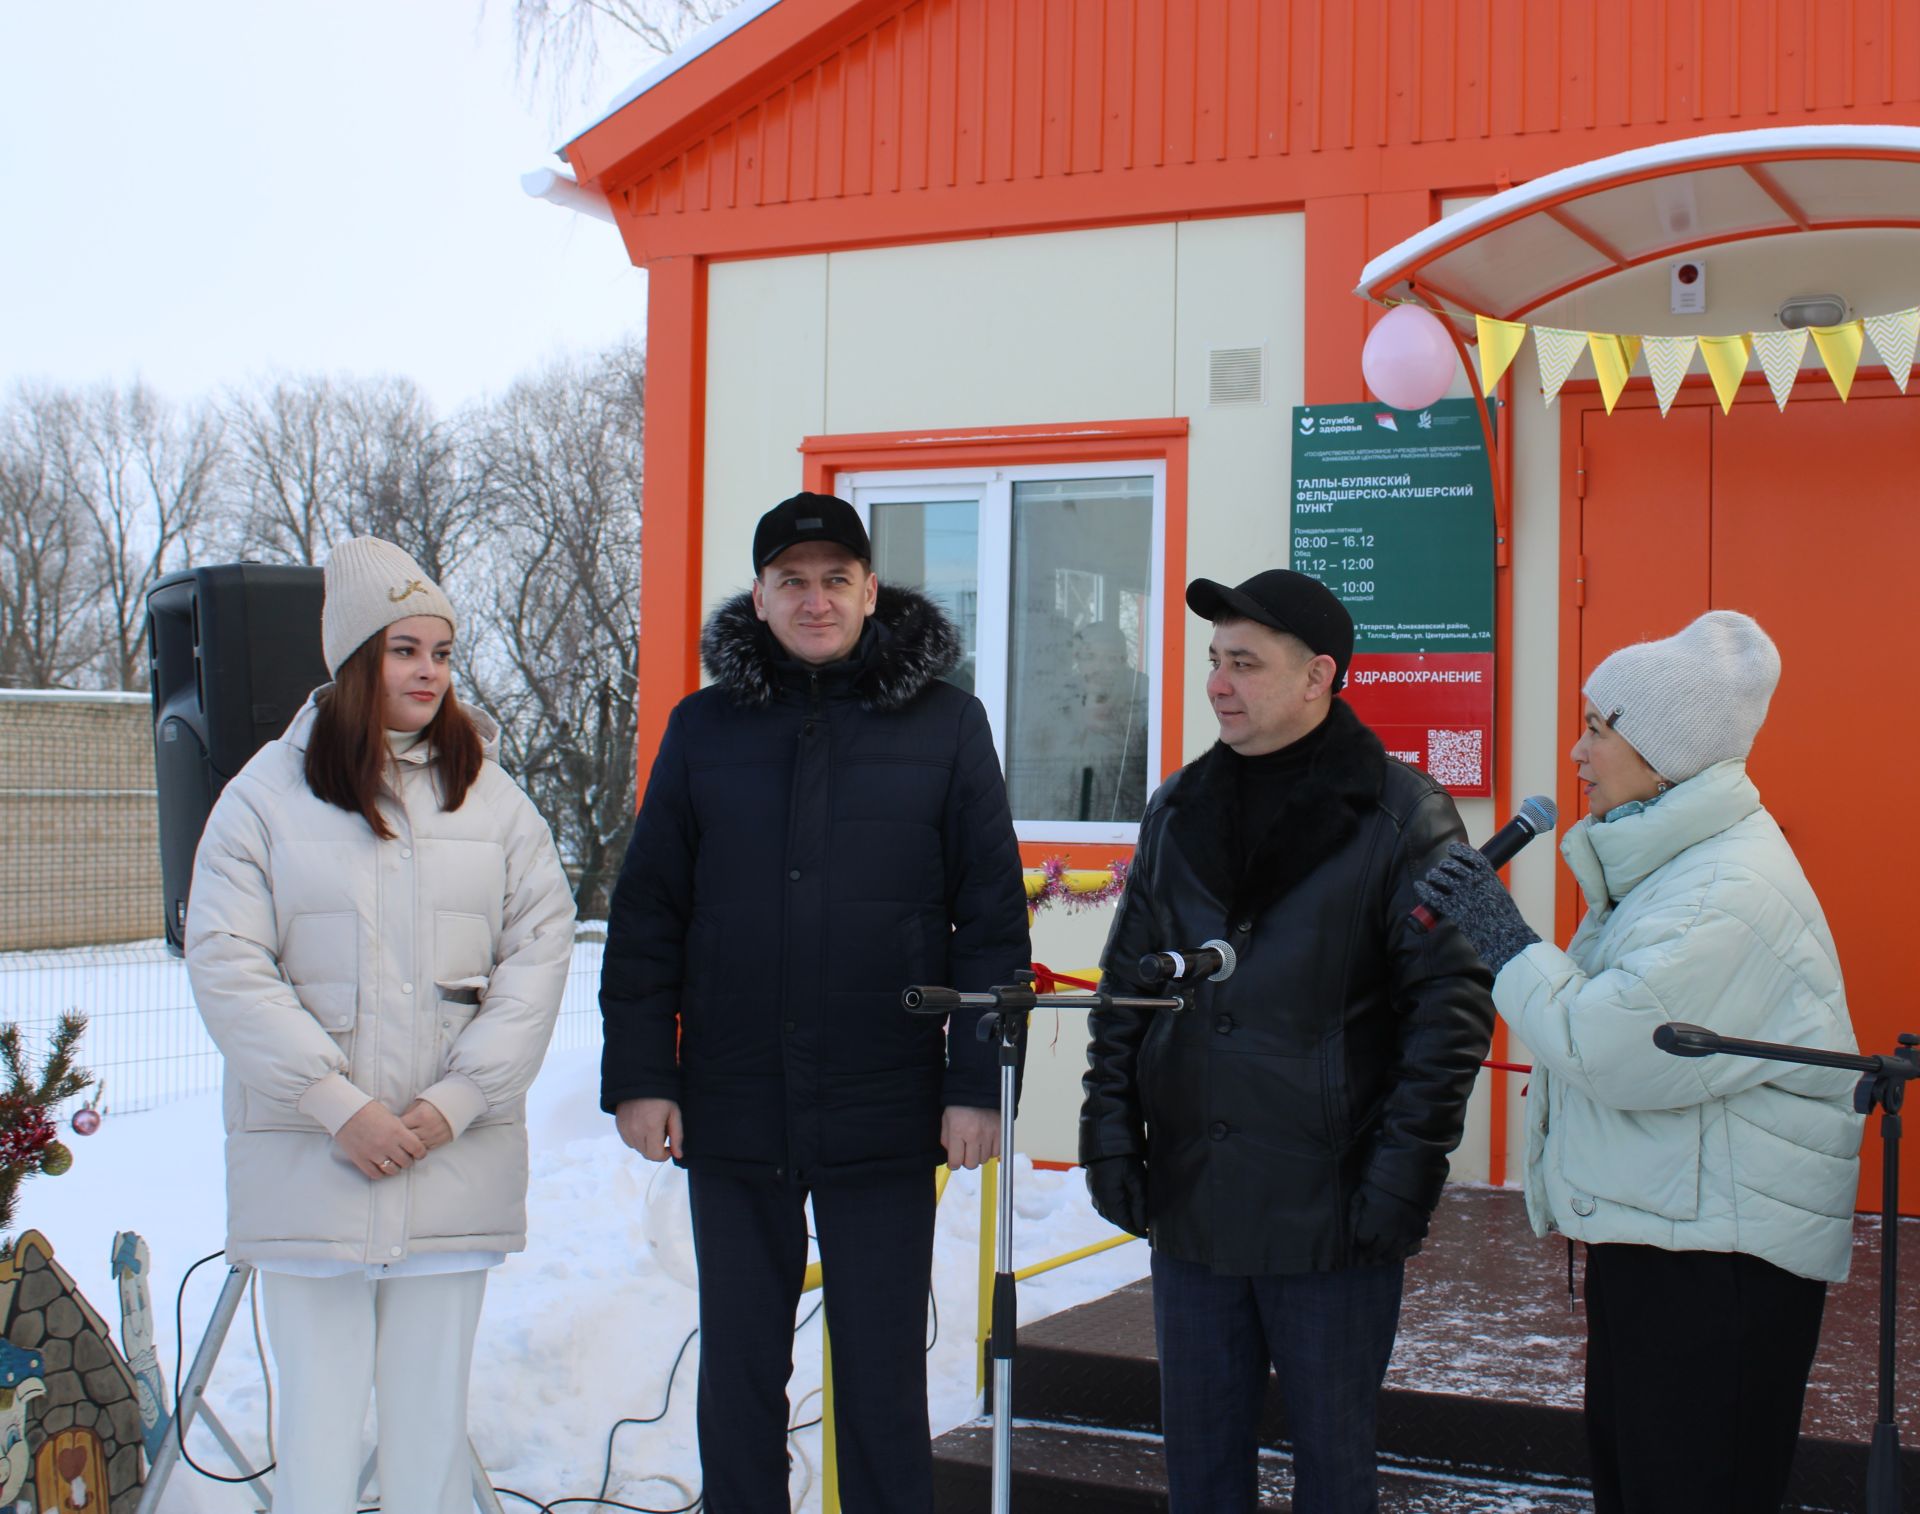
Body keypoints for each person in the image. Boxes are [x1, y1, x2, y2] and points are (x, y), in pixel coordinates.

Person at [600, 491, 1029, 1513]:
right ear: (759, 595)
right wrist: (640, 1074)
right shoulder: (704, 729)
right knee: (741, 1364)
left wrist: (977, 1082)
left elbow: (993, 917)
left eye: (837, 577)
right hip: (734, 1096)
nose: (816, 597)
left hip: (885, 1099)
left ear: (871, 590)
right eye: (792, 579)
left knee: (879, 1367)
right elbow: (649, 909)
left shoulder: (947, 722)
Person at [1413, 610, 1861, 1514]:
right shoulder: (1673, 868)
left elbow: (1618, 1047)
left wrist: (1505, 943)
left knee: (1691, 1488)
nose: (1577, 752)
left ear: (1664, 752)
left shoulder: (1723, 892)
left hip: (1718, 1263)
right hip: (1670, 1231)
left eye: (1597, 728)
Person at [1079, 568, 1496, 1514]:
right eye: (1215, 661)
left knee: (1334, 1473)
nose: (1220, 683)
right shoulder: (1179, 810)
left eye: (1246, 664)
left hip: (1332, 1215)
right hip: (1195, 1204)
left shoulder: (1404, 815)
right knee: (1201, 1471)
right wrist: (1109, 1131)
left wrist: (1402, 1177)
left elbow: (1452, 1008)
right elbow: (1126, 990)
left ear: (1319, 678)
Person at [186, 537, 576, 1514]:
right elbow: (229, 963)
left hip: (448, 1169)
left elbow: (539, 955)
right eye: (406, 649)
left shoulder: (491, 797)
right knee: (315, 1437)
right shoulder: (262, 801)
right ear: (357, 659)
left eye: (442, 652)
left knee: (429, 1436)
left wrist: (454, 1102)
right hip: (314, 1171)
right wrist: (336, 1105)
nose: (429, 672)